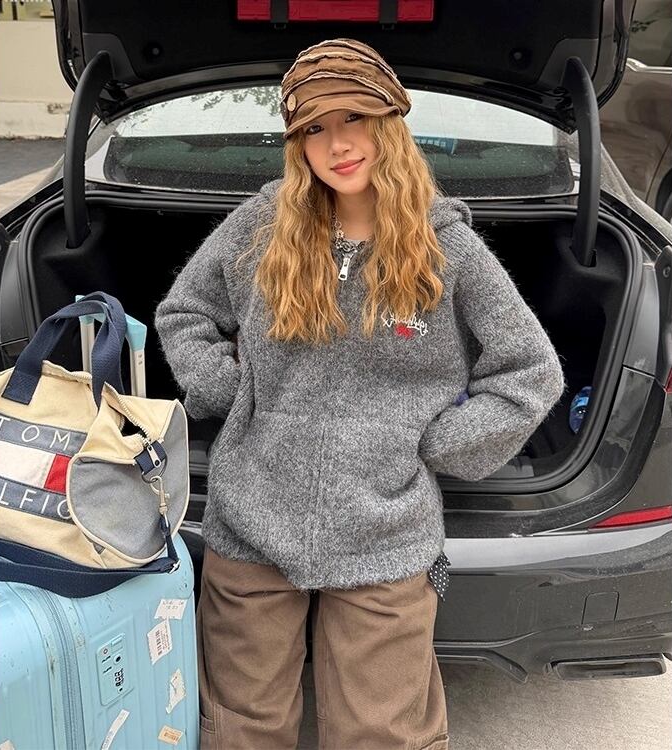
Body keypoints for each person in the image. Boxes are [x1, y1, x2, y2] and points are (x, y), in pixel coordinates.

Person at [155, 38, 565, 750]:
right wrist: (228, 390)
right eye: (314, 127)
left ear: (390, 122)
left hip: (386, 534)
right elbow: (184, 312)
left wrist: (434, 445)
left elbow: (530, 372)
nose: (337, 144)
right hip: (250, 520)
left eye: (354, 118)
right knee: (240, 728)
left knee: (381, 734)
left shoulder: (447, 249)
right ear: (296, 144)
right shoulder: (263, 225)